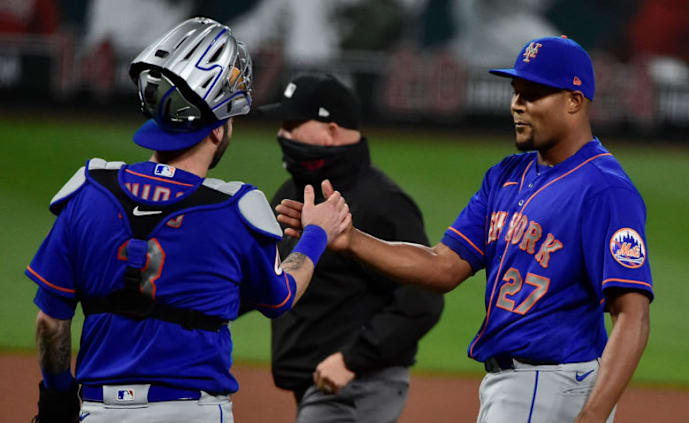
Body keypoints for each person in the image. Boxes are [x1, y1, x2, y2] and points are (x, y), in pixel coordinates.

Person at [277, 36, 653, 423]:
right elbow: (444, 265)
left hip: (553, 385)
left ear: (575, 101)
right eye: (516, 91)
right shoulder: (507, 175)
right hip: (511, 385)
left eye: (533, 94)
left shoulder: (604, 188)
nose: (517, 105)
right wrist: (352, 240)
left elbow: (632, 315)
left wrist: (592, 416)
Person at [27, 17, 349, 423]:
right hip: (192, 411)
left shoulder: (89, 192)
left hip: (99, 409)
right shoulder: (235, 209)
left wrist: (57, 400)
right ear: (218, 131)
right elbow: (279, 297)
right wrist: (317, 234)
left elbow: (50, 321)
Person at [252, 74, 444, 423]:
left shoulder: (381, 203)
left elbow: (423, 298)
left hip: (358, 386)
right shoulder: (292, 194)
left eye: (293, 123)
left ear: (331, 129)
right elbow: (263, 279)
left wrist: (353, 358)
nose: (282, 134)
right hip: (320, 388)